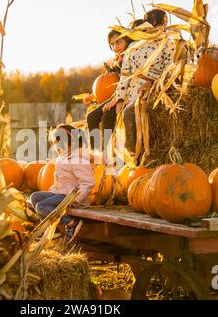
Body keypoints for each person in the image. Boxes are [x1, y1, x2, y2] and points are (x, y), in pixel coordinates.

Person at [103, 9, 176, 157]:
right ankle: (112, 153)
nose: (165, 26)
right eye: (164, 22)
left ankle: (131, 152)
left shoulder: (167, 44)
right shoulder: (133, 48)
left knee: (129, 112)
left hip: (155, 88)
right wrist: (119, 98)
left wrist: (154, 82)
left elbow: (169, 68)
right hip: (133, 89)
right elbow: (125, 76)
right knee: (116, 114)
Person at [30, 124, 95, 242]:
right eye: (54, 142)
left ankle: (70, 222)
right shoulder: (62, 157)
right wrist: (53, 190)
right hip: (60, 193)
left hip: (70, 196)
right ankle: (50, 229)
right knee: (35, 197)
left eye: (57, 142)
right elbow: (61, 180)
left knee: (41, 206)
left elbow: (88, 182)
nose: (55, 145)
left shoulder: (77, 158)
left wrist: (75, 199)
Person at [86, 22, 142, 154]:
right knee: (91, 116)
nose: (115, 47)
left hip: (128, 95)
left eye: (118, 42)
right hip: (116, 95)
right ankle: (96, 152)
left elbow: (126, 82)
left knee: (107, 117)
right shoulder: (118, 60)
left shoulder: (132, 54)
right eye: (112, 45)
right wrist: (93, 96)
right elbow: (109, 84)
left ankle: (107, 153)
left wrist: (118, 100)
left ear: (127, 39)